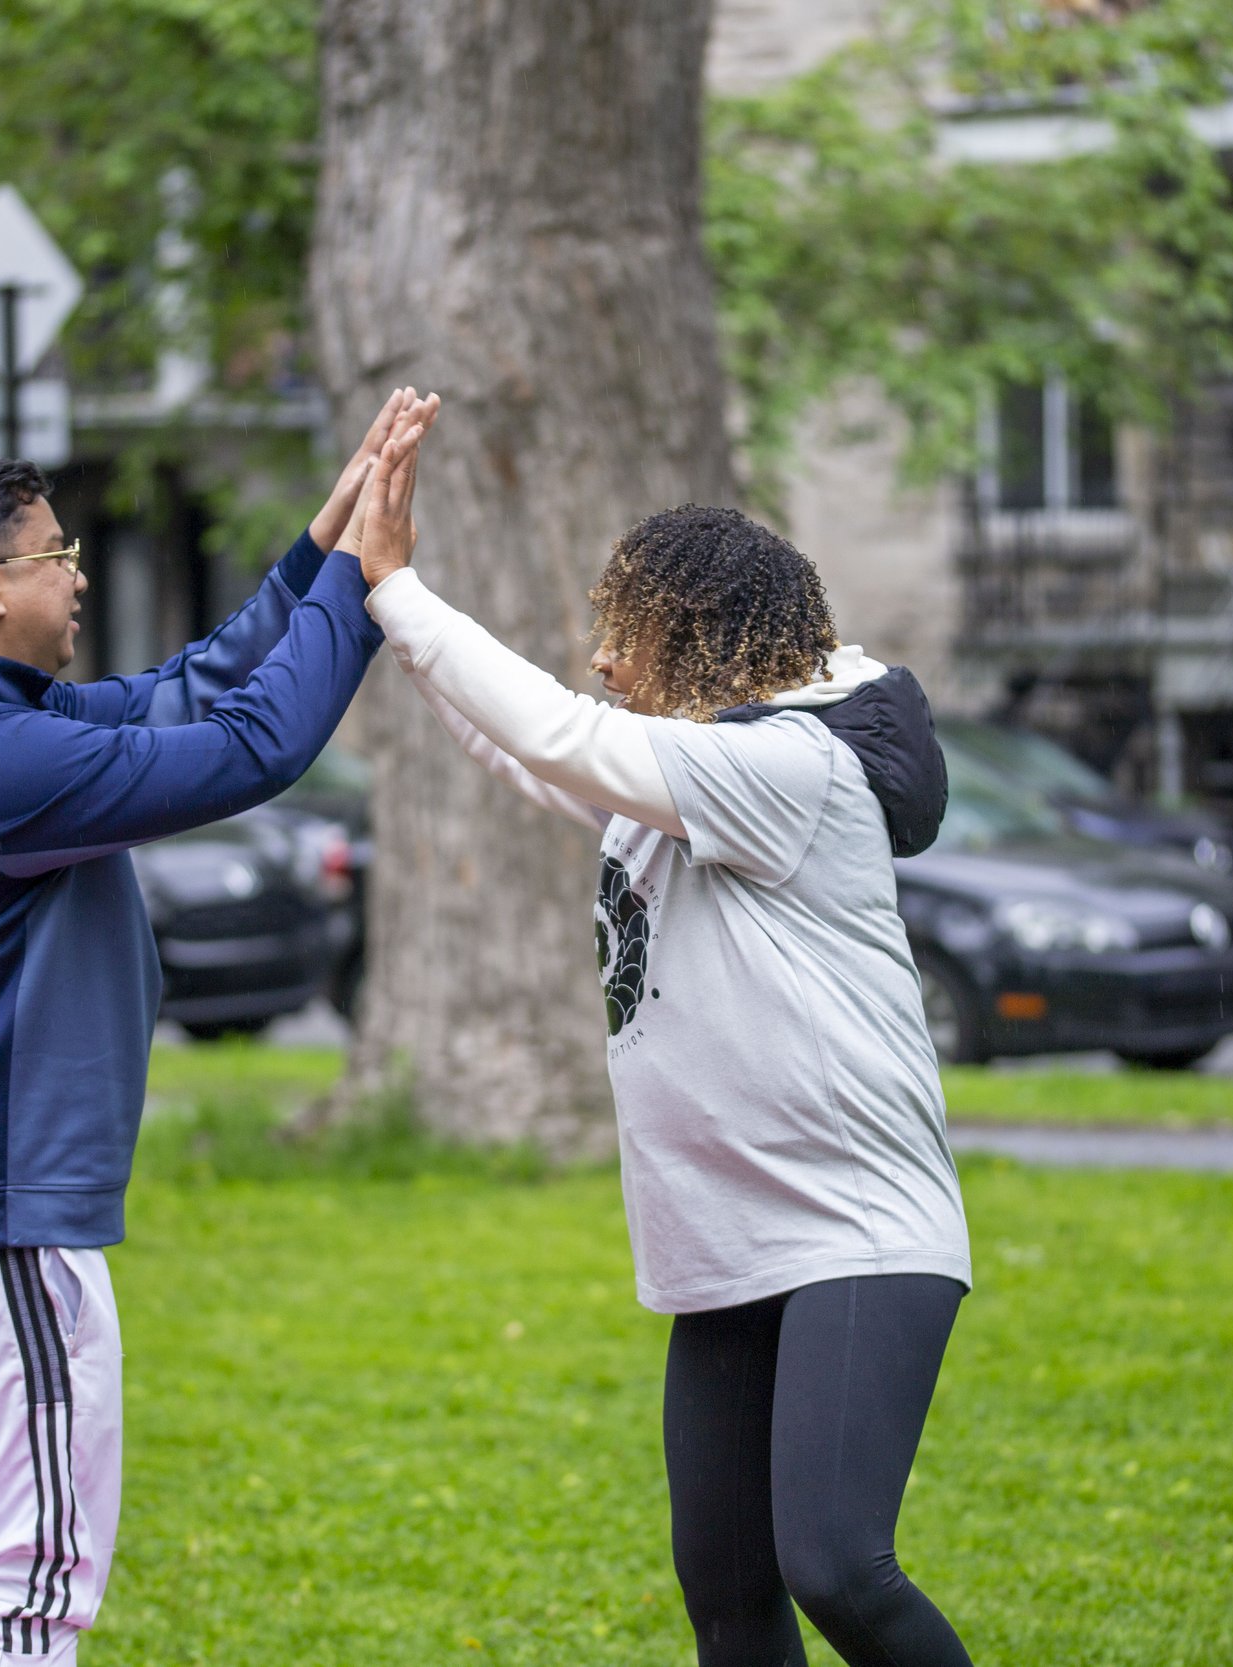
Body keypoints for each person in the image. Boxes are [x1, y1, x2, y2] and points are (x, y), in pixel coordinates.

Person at [0, 389, 436, 1667]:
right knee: (32, 1581)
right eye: (58, 556)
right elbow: (251, 746)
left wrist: (322, 549)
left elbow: (188, 693)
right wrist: (373, 588)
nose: (78, 576)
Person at [351, 441, 974, 1666]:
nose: (601, 657)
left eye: (625, 628)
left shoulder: (789, 770)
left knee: (838, 1564)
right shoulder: (686, 783)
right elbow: (534, 746)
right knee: (730, 1596)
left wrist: (401, 594)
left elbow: (567, 730)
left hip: (854, 1227)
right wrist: (388, 610)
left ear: (699, 640)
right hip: (726, 1239)